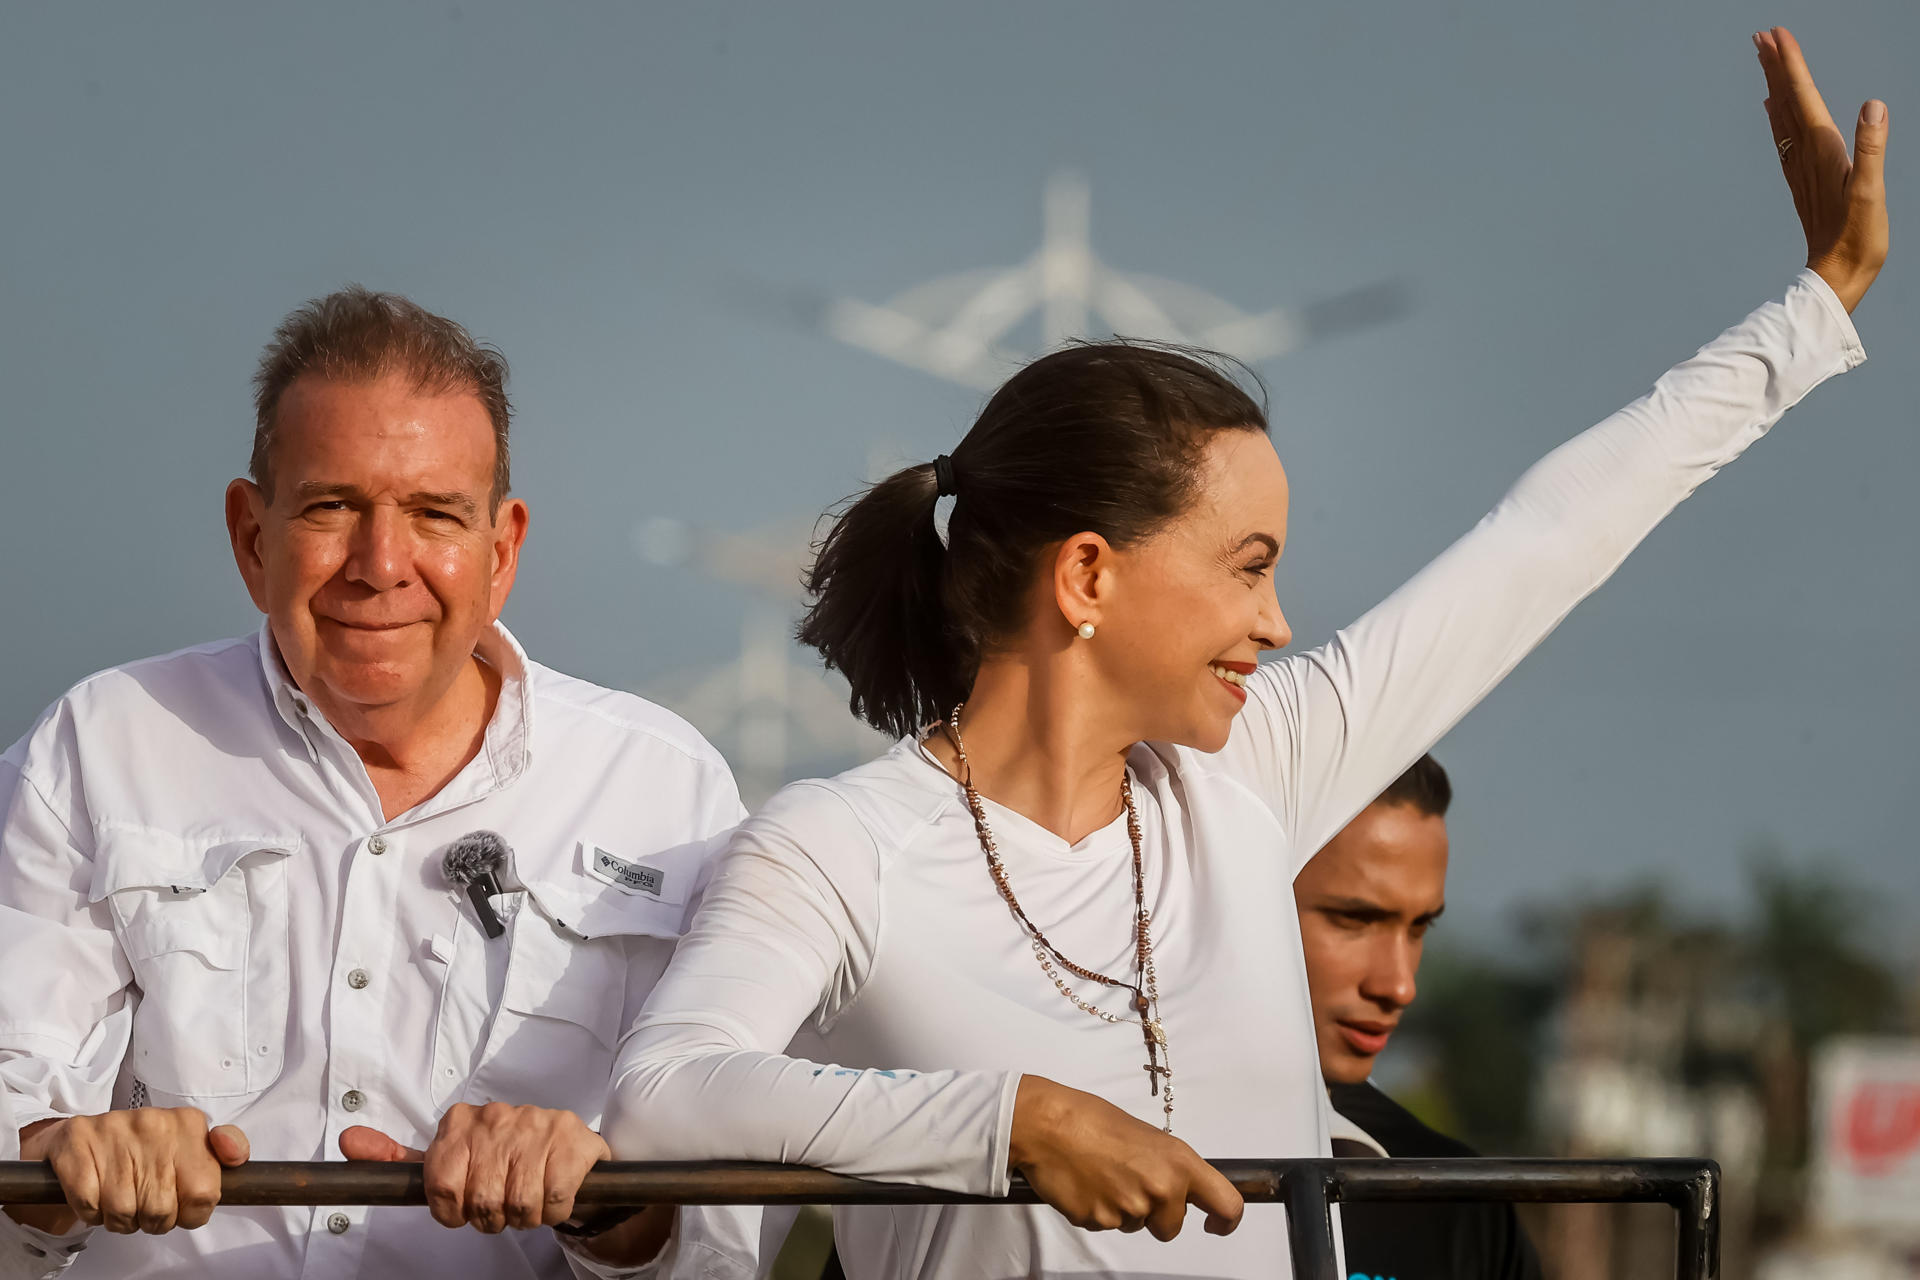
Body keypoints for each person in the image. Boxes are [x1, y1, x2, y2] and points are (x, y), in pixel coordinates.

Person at [583, 28, 1886, 1280]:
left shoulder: (1254, 777)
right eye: (1248, 566)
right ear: (1089, 575)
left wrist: (1812, 312)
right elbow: (668, 1091)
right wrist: (1010, 1123)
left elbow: (1544, 539)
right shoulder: (834, 847)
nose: (1276, 622)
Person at [0, 289, 751, 1278]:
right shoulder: (97, 745)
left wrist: (606, 1206)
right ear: (251, 534)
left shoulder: (668, 792)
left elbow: (727, 1239)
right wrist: (54, 1160)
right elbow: (14, 1083)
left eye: (434, 512)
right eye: (331, 506)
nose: (379, 563)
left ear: (503, 549)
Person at [1296, 754, 1544, 1280]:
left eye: (1418, 928)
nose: (1400, 985)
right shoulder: (1103, 1160)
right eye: (1355, 919)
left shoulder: (1455, 1199)